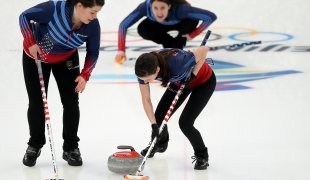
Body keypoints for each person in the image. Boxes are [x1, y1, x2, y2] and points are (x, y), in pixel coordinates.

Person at [19, 0, 104, 167]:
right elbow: (24, 17)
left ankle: (71, 148)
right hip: (36, 57)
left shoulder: (92, 26)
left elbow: (93, 52)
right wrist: (30, 41)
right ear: (79, 6)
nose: (95, 17)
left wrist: (85, 75)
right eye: (92, 12)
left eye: (97, 13)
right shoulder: (54, 9)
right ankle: (34, 145)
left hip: (66, 59)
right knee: (37, 103)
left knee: (71, 103)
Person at [134, 46, 216, 170]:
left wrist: (194, 74)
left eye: (149, 79)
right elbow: (146, 100)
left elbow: (204, 50)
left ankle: (202, 156)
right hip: (180, 82)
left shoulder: (179, 63)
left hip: (204, 82)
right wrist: (154, 125)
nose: (147, 82)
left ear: (157, 69)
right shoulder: (143, 71)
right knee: (158, 118)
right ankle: (160, 144)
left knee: (185, 123)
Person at [115, 0, 217, 64]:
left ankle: (178, 47)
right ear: (150, 5)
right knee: (143, 29)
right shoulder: (144, 7)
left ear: (169, 6)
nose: (159, 13)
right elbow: (123, 25)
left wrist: (192, 35)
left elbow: (210, 17)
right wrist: (121, 50)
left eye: (162, 8)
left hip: (182, 24)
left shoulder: (181, 9)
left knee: (189, 24)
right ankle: (169, 45)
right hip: (158, 27)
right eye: (155, 8)